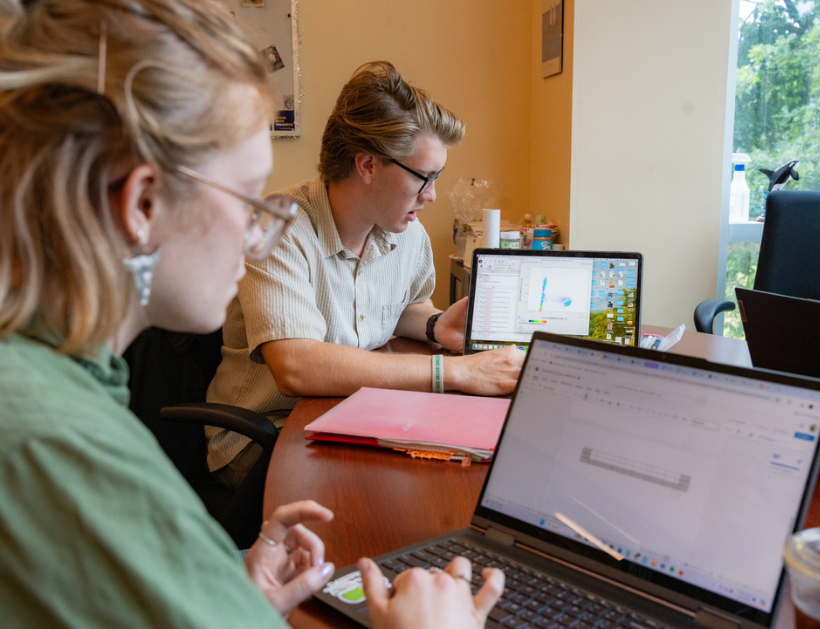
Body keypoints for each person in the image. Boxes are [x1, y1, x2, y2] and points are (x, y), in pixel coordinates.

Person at [0, 1, 502, 627]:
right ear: (144, 203)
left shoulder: (63, 386)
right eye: (246, 202)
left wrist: (222, 588)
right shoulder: (58, 445)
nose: (258, 236)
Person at [206, 61, 525, 488]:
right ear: (368, 166)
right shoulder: (278, 227)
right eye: (424, 178)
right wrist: (456, 373)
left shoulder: (404, 229)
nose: (431, 196)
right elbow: (296, 367)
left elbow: (394, 306)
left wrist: (433, 324)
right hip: (266, 435)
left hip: (350, 411)